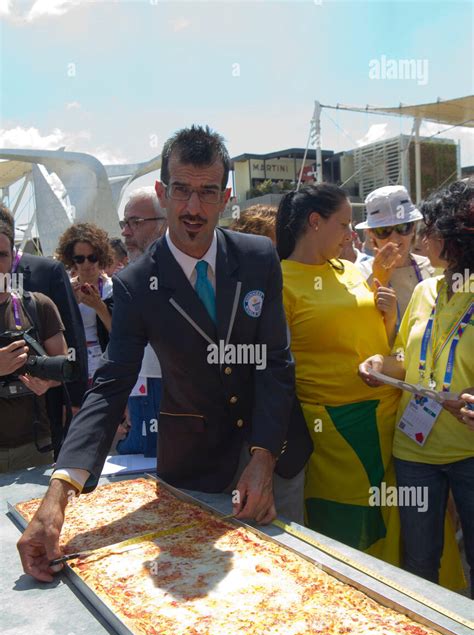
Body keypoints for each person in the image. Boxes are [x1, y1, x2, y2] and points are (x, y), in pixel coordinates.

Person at [17, 124, 312, 582]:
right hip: (195, 462)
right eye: (181, 191)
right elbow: (112, 383)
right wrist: (58, 492)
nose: (193, 208)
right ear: (162, 190)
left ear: (225, 196)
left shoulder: (258, 257)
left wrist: (264, 457)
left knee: (284, 583)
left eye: (207, 192)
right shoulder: (137, 285)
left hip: (274, 449)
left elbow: (274, 362)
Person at [359, 179, 473, 594]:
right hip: (414, 451)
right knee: (419, 560)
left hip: (469, 452)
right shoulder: (426, 290)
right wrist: (381, 363)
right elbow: (409, 362)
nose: (418, 237)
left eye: (428, 229)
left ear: (457, 237)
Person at [276, 184, 401, 563]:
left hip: (388, 421)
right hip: (334, 432)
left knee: (391, 526)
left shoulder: (349, 270)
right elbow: (277, 368)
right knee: (348, 533)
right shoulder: (280, 281)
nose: (351, 235)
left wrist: (390, 312)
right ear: (315, 222)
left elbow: (375, 336)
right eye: (344, 224)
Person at [0, 204, 88, 458]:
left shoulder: (39, 295)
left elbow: (71, 339)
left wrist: (72, 397)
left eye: (2, 254)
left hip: (34, 434)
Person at [115, 188, 167, 457]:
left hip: (174, 393)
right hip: (139, 391)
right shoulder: (127, 280)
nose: (126, 232)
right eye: (125, 223)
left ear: (163, 224)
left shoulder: (188, 273)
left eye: (136, 222)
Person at [355, 186, 434, 321]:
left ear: (414, 228)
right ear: (371, 234)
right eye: (384, 230)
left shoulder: (432, 268)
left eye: (403, 227)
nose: (394, 238)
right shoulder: (358, 275)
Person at [55, 224, 114, 389]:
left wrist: (99, 306)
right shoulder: (65, 289)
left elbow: (119, 332)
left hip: (105, 360)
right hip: (75, 361)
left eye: (92, 257)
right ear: (71, 261)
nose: (87, 263)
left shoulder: (113, 288)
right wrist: (70, 305)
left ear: (100, 256)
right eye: (79, 259)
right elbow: (56, 331)